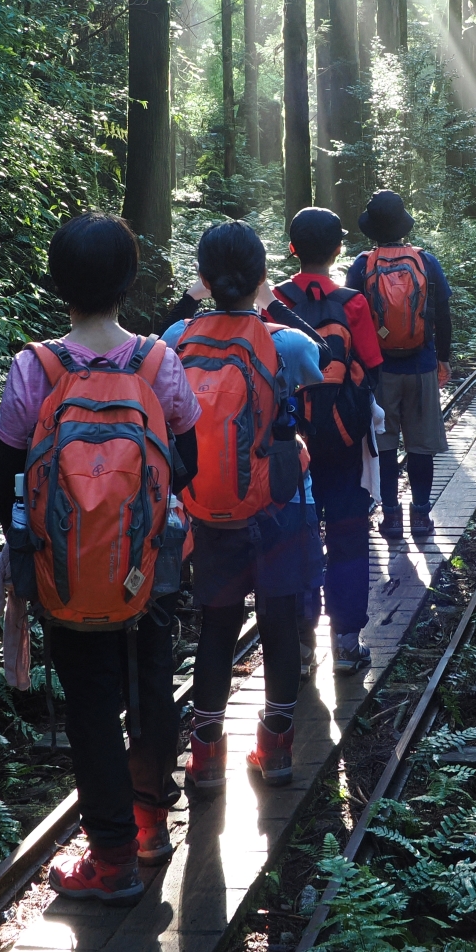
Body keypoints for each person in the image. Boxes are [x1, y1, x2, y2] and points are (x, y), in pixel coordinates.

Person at [0, 212, 200, 903]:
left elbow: (9, 483)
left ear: (57, 284)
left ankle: (110, 863)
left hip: (68, 572)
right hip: (151, 567)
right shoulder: (157, 361)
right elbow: (188, 463)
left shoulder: (35, 368)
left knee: (91, 707)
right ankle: (151, 829)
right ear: (130, 280)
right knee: (153, 686)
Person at [162, 222, 322, 792]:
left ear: (203, 279)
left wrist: (198, 300)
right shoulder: (289, 343)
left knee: (218, 628)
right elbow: (317, 364)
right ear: (260, 277)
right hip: (282, 505)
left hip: (209, 510)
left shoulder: (177, 338)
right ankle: (275, 749)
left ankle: (205, 758)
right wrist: (270, 301)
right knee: (278, 623)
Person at [275, 207, 384, 674]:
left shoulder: (274, 302)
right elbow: (373, 368)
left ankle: (300, 648)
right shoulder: (353, 302)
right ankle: (346, 644)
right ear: (339, 249)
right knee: (347, 533)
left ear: (292, 248)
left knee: (295, 540)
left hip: (289, 441)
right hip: (343, 440)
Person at [345, 190, 452, 539]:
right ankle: (421, 516)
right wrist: (443, 359)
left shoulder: (362, 266)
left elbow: (350, 322)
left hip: (379, 371)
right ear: (403, 225)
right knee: (421, 446)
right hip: (421, 366)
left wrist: (358, 367)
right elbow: (443, 316)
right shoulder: (426, 262)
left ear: (371, 229)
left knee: (385, 445)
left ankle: (390, 517)